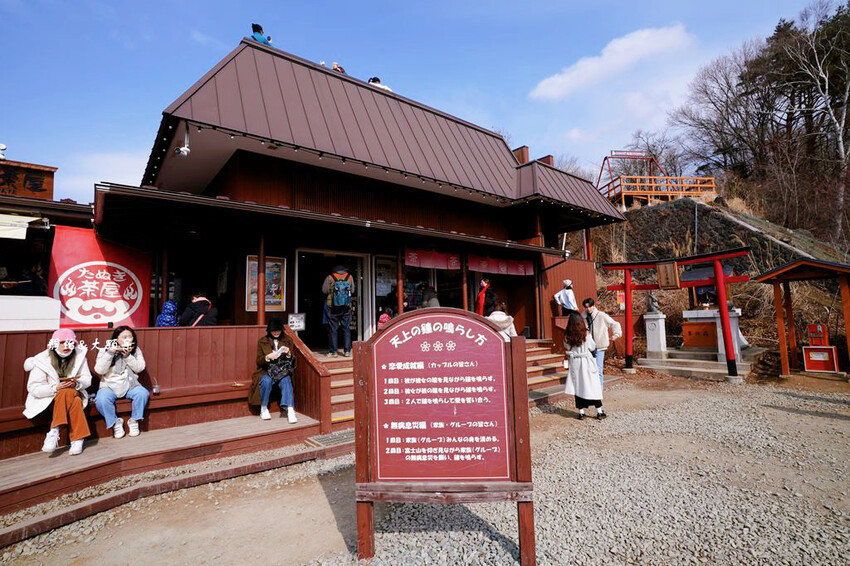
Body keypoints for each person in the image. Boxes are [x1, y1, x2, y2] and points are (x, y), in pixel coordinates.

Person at [23, 328, 92, 455]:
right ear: (54, 343)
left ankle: (54, 430)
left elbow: (87, 379)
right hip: (48, 399)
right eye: (62, 342)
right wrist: (55, 388)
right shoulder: (41, 360)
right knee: (74, 399)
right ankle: (77, 439)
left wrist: (77, 383)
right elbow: (34, 388)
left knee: (68, 391)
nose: (66, 346)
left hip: (74, 390)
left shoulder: (79, 356)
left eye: (70, 342)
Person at [94, 326, 150, 438]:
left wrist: (128, 356)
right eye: (124, 337)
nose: (127, 339)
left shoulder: (135, 350)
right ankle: (115, 423)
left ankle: (134, 420)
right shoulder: (105, 350)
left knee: (142, 393)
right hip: (109, 385)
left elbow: (139, 368)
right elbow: (99, 370)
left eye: (130, 337)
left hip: (130, 384)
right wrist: (110, 353)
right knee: (101, 399)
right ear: (116, 339)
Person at [249, 318, 297, 423]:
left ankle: (290, 409)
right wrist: (267, 357)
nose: (276, 333)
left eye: (278, 330)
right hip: (267, 370)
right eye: (273, 331)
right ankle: (264, 408)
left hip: (282, 370)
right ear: (269, 331)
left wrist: (288, 354)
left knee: (287, 380)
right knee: (266, 381)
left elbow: (292, 361)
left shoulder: (288, 340)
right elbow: (258, 360)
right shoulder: (262, 341)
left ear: (281, 330)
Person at [563, 312, 605, 420]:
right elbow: (592, 347)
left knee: (578, 386)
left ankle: (581, 412)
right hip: (587, 362)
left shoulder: (567, 336)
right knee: (592, 386)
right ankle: (599, 411)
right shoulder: (586, 335)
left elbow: (566, 346)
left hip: (575, 362)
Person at [582, 298, 622, 389]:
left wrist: (616, 335)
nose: (588, 309)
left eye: (590, 307)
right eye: (586, 307)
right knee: (588, 370)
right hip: (587, 347)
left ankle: (598, 391)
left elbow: (615, 324)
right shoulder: (582, 317)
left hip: (599, 346)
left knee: (598, 370)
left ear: (594, 306)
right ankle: (591, 389)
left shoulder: (601, 315)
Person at [322, 266, 354, 357]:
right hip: (346, 306)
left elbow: (324, 291)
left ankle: (334, 352)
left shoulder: (330, 277)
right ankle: (347, 351)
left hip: (333, 306)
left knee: (333, 329)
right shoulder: (349, 277)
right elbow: (352, 290)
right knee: (346, 329)